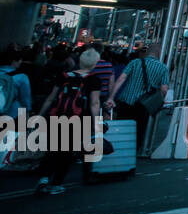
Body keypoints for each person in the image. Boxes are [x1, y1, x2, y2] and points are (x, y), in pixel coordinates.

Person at [33, 48, 101, 195]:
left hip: (56, 116)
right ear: (95, 63)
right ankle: (56, 184)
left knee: (52, 149)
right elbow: (94, 103)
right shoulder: (94, 79)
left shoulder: (64, 75)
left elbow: (51, 97)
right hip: (78, 119)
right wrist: (97, 124)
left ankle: (43, 179)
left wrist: (40, 115)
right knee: (67, 152)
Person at [107, 43, 169, 154]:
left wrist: (111, 97)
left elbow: (121, 79)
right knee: (138, 131)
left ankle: (117, 152)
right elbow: (164, 89)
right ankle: (131, 156)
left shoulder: (134, 62)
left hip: (126, 102)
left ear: (147, 52)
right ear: (159, 53)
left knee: (121, 129)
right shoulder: (163, 68)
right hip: (144, 105)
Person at [0, 44, 32, 118]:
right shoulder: (21, 77)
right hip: (9, 116)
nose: (21, 61)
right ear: (13, 61)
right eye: (19, 59)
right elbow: (25, 101)